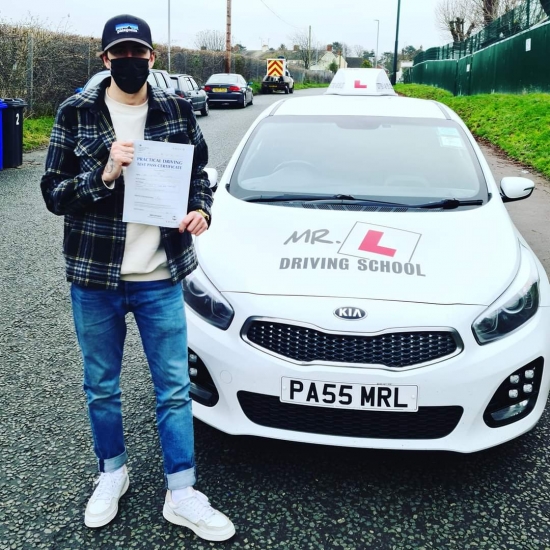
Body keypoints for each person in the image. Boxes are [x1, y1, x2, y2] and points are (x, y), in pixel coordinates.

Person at [40, 14, 235, 542]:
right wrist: (102, 173)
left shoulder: (173, 108)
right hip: (95, 278)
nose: (131, 61)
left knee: (173, 387)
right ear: (105, 60)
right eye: (120, 53)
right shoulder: (75, 113)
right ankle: (112, 473)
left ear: (153, 57)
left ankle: (182, 491)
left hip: (160, 275)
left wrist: (202, 212)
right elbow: (53, 193)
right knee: (101, 387)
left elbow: (199, 176)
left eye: (140, 53)